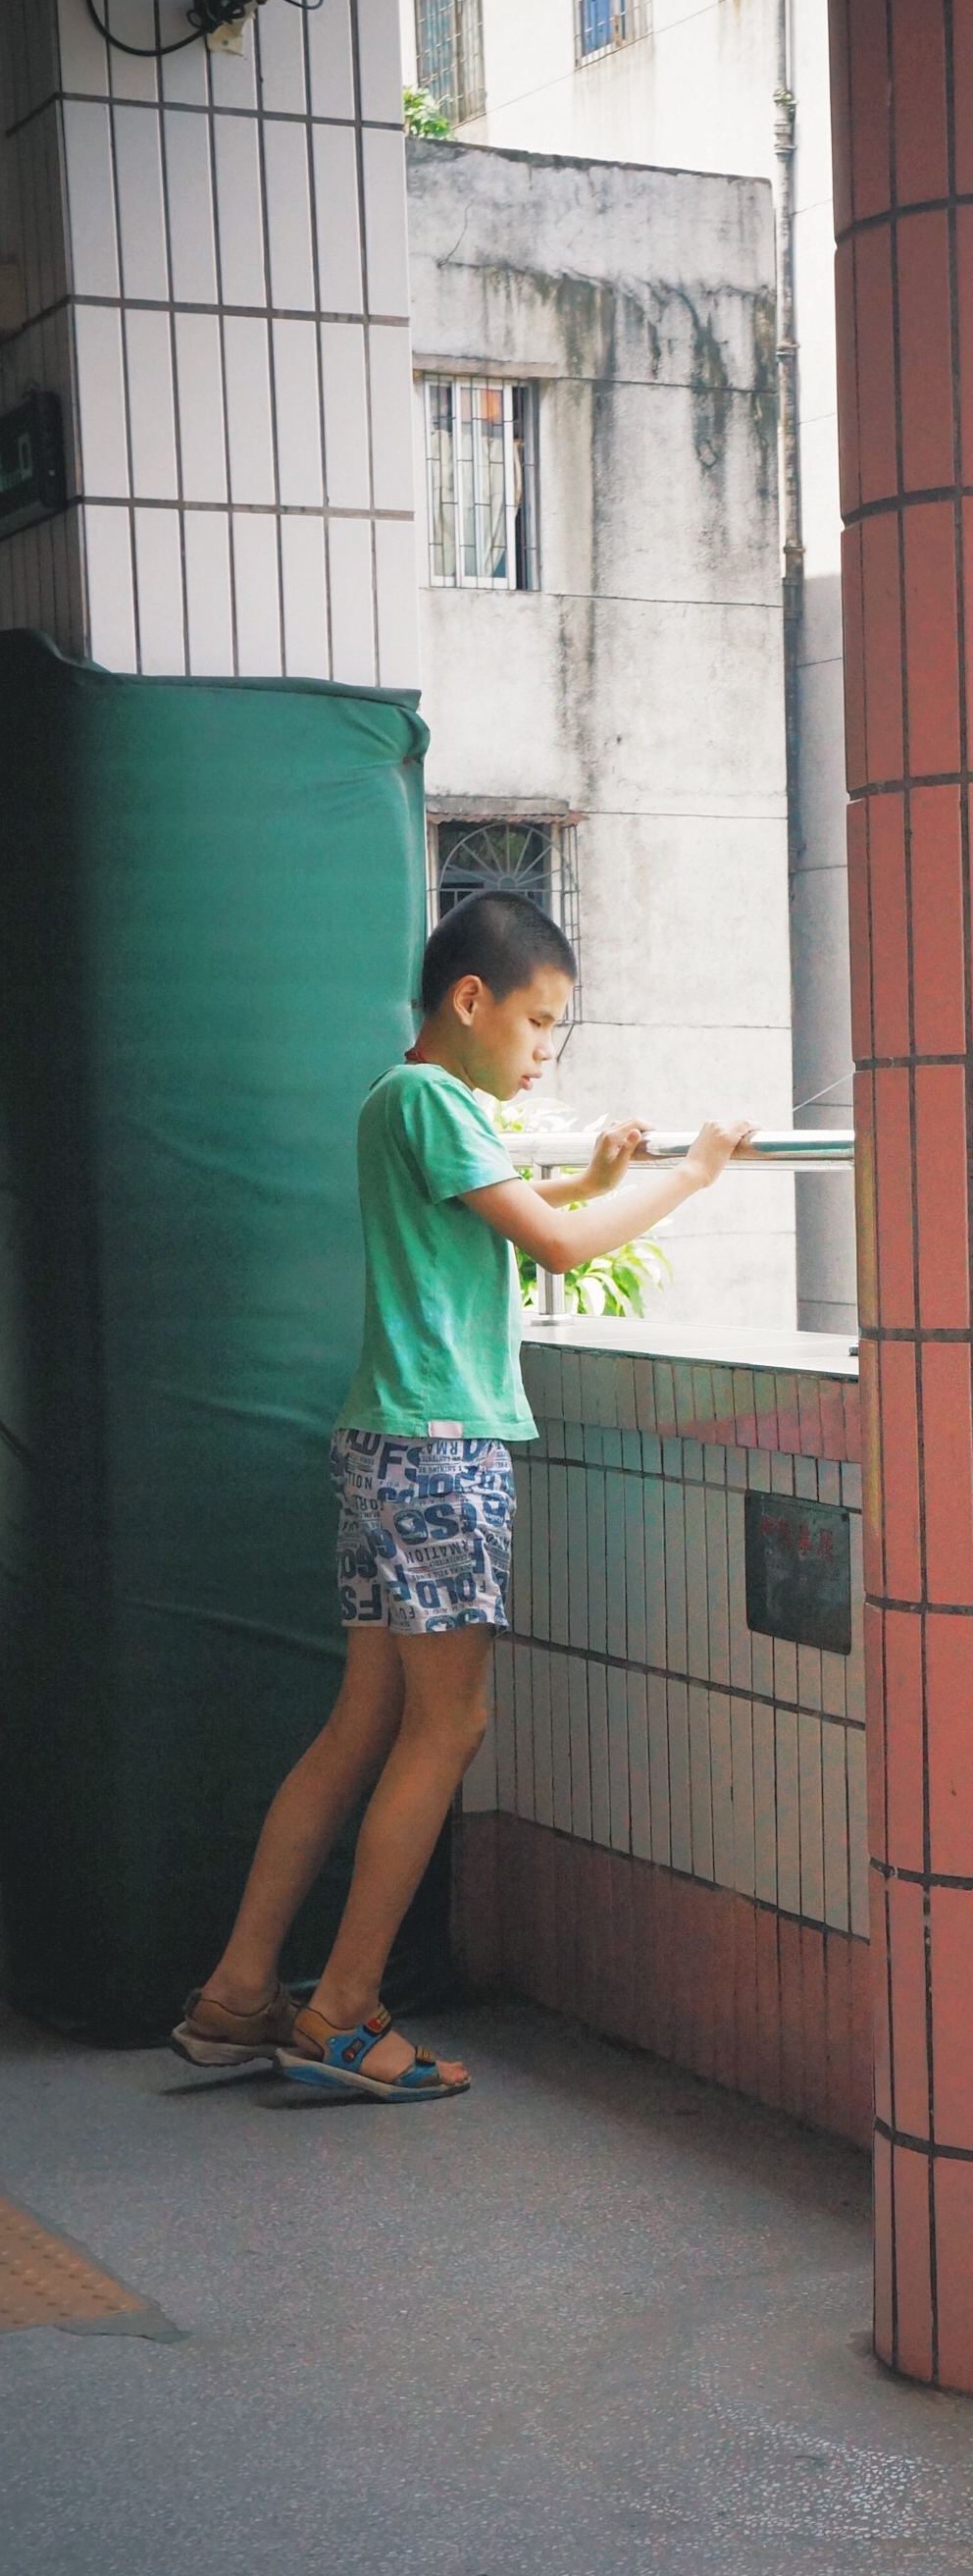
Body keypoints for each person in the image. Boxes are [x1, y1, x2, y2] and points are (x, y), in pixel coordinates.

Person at [170, 889, 751, 2102]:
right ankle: (340, 2008)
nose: (545, 1053)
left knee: (360, 1727)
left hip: (387, 1443)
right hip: (440, 1451)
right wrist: (692, 1174)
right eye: (539, 1025)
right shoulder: (432, 1100)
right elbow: (564, 1253)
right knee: (451, 1724)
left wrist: (589, 1180)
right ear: (469, 1000)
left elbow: (521, 1232)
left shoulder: (414, 1108)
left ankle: (236, 1994)